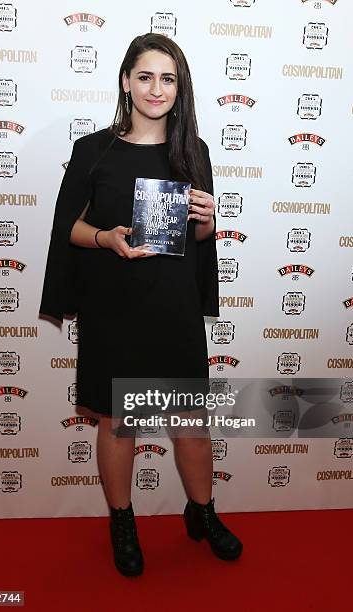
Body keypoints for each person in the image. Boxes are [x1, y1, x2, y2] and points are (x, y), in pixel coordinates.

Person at [40, 33, 243, 577]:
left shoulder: (192, 152)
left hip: (172, 308)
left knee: (191, 423)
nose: (157, 89)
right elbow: (69, 230)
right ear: (127, 81)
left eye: (168, 78)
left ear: (181, 88)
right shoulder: (93, 150)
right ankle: (122, 520)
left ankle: (202, 513)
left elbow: (199, 245)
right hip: (114, 309)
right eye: (146, 76)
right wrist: (107, 238)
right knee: (117, 424)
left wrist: (209, 223)